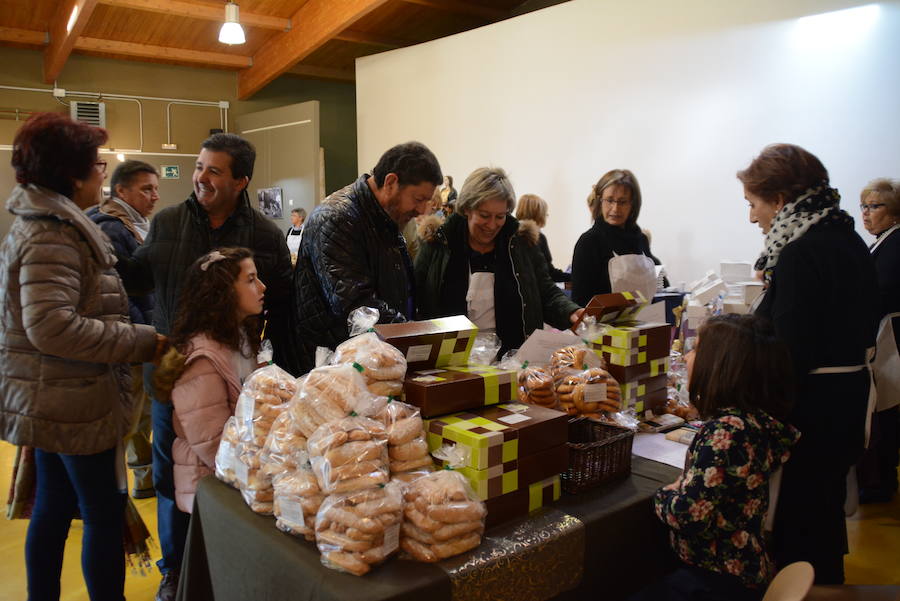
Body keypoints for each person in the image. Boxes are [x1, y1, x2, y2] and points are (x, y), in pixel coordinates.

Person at [118, 133, 292, 601]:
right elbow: (135, 279)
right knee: (175, 476)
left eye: (214, 171)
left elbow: (280, 303)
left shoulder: (265, 236)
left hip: (237, 377)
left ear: (241, 181)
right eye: (199, 167)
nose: (201, 178)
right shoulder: (169, 222)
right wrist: (103, 245)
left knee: (232, 478)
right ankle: (175, 570)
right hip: (175, 374)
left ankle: (227, 566)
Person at [0, 113, 165, 601]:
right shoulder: (52, 233)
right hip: (70, 396)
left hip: (58, 394)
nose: (102, 174)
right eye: (96, 165)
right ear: (70, 174)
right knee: (102, 511)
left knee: (53, 504)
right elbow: (52, 326)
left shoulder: (53, 224)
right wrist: (139, 340)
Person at [738, 143, 880, 584]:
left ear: (780, 200)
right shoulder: (848, 238)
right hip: (846, 403)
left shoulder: (800, 253)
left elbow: (790, 351)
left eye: (754, 204)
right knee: (824, 515)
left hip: (812, 412)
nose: (752, 217)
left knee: (800, 525)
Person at [631, 314, 799, 601]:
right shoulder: (755, 421)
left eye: (695, 349)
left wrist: (665, 494)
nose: (686, 357)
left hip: (715, 578)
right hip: (744, 570)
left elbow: (687, 515)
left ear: (721, 365)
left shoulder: (725, 432)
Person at [287, 141, 442, 375]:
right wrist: (413, 334)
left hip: (371, 360)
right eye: (418, 199)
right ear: (390, 182)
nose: (422, 210)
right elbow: (355, 306)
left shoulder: (385, 218)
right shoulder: (336, 218)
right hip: (335, 368)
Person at [415, 167, 583, 356]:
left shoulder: (521, 243)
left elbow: (545, 290)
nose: (492, 225)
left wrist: (570, 311)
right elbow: (418, 297)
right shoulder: (439, 243)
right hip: (451, 360)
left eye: (500, 217)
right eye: (484, 216)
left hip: (512, 359)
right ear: (467, 209)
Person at [155, 248, 265, 513]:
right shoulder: (202, 359)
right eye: (250, 280)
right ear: (223, 292)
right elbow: (213, 446)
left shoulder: (239, 338)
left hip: (236, 481)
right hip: (211, 492)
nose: (262, 286)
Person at [88, 159, 160, 499]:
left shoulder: (132, 224)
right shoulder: (113, 228)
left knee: (139, 412)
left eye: (155, 189)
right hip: (131, 335)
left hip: (137, 331)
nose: (154, 196)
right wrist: (142, 330)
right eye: (146, 189)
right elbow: (119, 290)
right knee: (133, 415)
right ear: (121, 190)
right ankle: (140, 480)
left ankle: (143, 479)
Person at [857, 178, 900, 504]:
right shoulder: (882, 242)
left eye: (875, 206)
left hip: (891, 338)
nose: (867, 214)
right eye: (864, 207)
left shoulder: (895, 243)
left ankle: (881, 482)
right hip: (883, 335)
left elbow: (880, 293)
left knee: (886, 410)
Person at [571, 169, 664, 306]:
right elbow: (580, 301)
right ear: (600, 201)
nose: (615, 208)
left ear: (632, 205)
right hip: (605, 326)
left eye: (622, 202)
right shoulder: (589, 242)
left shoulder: (640, 240)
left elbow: (655, 287)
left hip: (645, 322)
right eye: (609, 200)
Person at [515, 193, 571, 283]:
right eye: (545, 214)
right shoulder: (538, 238)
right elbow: (549, 273)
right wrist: (574, 276)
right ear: (539, 215)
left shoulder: (511, 235)